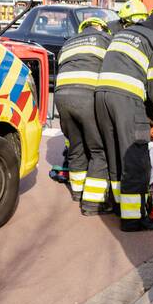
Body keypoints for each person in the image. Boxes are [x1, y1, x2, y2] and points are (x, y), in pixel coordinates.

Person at [96, 2, 153, 231]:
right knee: (135, 158)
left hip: (102, 96)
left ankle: (118, 206)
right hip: (126, 99)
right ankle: (133, 219)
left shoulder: (127, 33)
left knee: (116, 154)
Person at [54, 17, 112, 214]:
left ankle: (77, 192)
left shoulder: (69, 42)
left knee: (76, 147)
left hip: (61, 96)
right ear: (101, 28)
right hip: (87, 95)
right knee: (99, 150)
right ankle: (92, 204)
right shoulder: (105, 39)